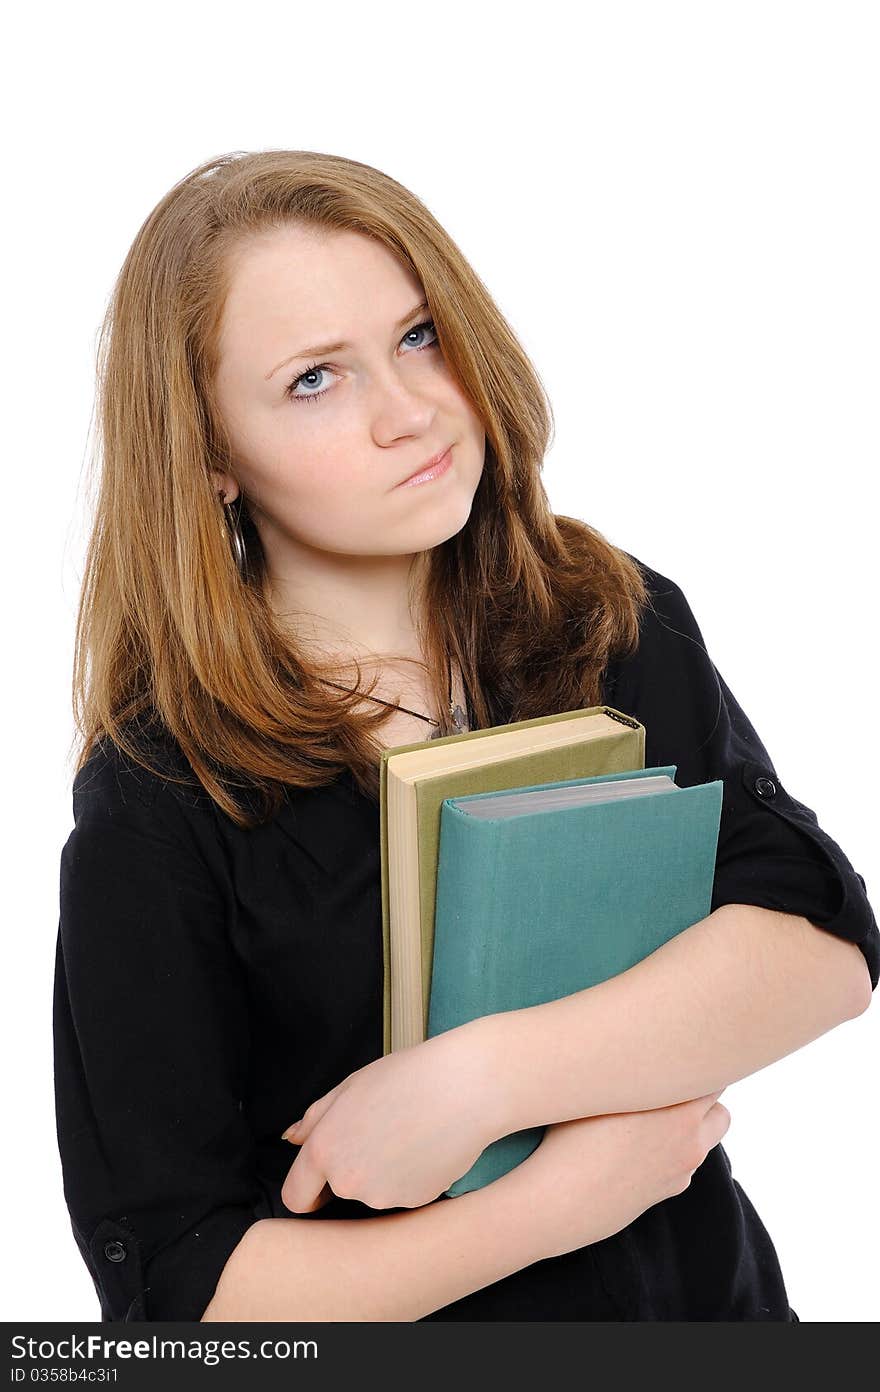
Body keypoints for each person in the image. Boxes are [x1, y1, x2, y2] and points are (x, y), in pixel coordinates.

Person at [54, 149, 877, 1324]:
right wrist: (545, 1207)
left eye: (418, 336)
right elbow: (183, 1293)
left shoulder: (604, 617)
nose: (408, 413)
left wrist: (478, 1081)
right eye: (311, 381)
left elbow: (817, 948)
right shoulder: (161, 792)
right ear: (210, 459)